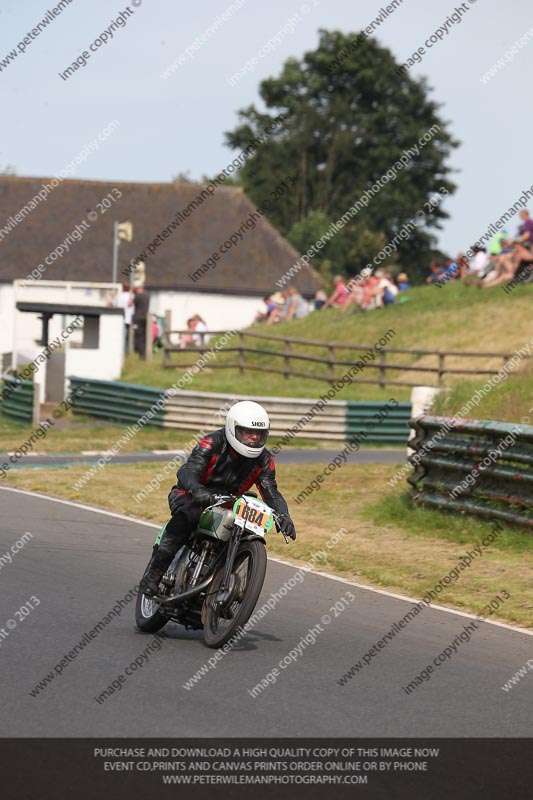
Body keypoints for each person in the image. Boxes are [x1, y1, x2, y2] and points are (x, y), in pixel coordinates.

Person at [140, 401, 296, 597]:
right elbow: (188, 470)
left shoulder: (264, 460)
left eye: (259, 433)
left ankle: (218, 580)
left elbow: (271, 490)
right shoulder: (211, 443)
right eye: (248, 432)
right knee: (190, 515)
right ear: (233, 429)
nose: (255, 437)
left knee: (244, 529)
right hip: (190, 494)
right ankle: (153, 575)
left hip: (229, 503)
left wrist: (283, 515)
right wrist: (197, 490)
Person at [133, 285, 150, 358]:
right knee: (144, 336)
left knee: (138, 336)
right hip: (146, 317)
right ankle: (146, 352)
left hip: (138, 318)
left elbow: (131, 304)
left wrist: (131, 295)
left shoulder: (137, 296)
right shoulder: (147, 295)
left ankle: (141, 354)